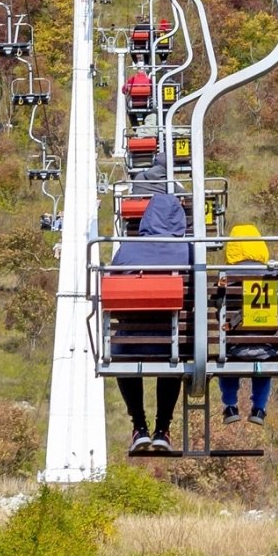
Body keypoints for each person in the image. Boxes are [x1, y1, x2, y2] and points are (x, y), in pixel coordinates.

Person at [111, 157, 190, 454]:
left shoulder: (127, 249)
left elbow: (111, 288)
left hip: (129, 343)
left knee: (124, 354)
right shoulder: (187, 249)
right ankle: (163, 429)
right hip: (171, 341)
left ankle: (139, 426)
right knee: (172, 362)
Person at [217, 222, 275, 425]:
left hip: (233, 348)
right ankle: (259, 408)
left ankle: (230, 405)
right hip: (266, 347)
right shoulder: (272, 275)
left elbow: (219, 315)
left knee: (227, 358)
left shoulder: (225, 277)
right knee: (265, 360)